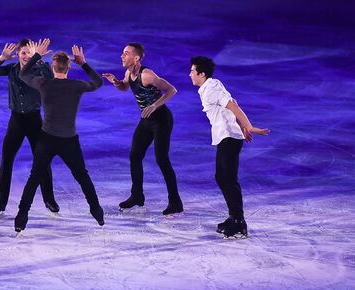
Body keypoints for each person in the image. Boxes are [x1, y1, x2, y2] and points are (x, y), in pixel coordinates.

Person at [14, 39, 104, 232]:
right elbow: (98, 82)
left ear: (52, 66)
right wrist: (84, 63)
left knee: (34, 177)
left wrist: (37, 55)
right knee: (82, 176)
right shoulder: (76, 85)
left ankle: (21, 216)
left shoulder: (44, 84)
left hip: (47, 139)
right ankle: (96, 210)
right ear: (68, 67)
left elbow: (22, 74)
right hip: (69, 141)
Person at [189, 56, 270, 239]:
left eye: (193, 71)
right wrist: (241, 126)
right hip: (227, 136)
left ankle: (239, 223)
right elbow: (232, 103)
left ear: (202, 74)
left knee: (228, 179)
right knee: (222, 177)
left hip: (229, 137)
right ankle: (234, 217)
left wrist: (248, 126)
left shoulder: (211, 87)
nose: (190, 74)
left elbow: (232, 105)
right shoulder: (209, 87)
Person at [102, 43, 183, 216]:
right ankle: (137, 196)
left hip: (161, 119)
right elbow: (125, 87)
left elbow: (171, 90)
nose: (122, 56)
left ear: (136, 58)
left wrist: (154, 105)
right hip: (146, 120)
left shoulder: (147, 75)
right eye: (122, 53)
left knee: (162, 160)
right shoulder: (128, 73)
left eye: (126, 53)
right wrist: (115, 82)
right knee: (135, 156)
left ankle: (175, 202)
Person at [0, 39, 59, 215]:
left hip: (34, 120)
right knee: (7, 159)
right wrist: (1, 58)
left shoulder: (40, 69)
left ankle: (49, 199)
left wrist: (39, 58)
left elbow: (52, 78)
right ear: (18, 54)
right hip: (16, 121)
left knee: (42, 160)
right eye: (23, 53)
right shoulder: (12, 70)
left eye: (29, 52)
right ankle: (0, 202)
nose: (26, 56)